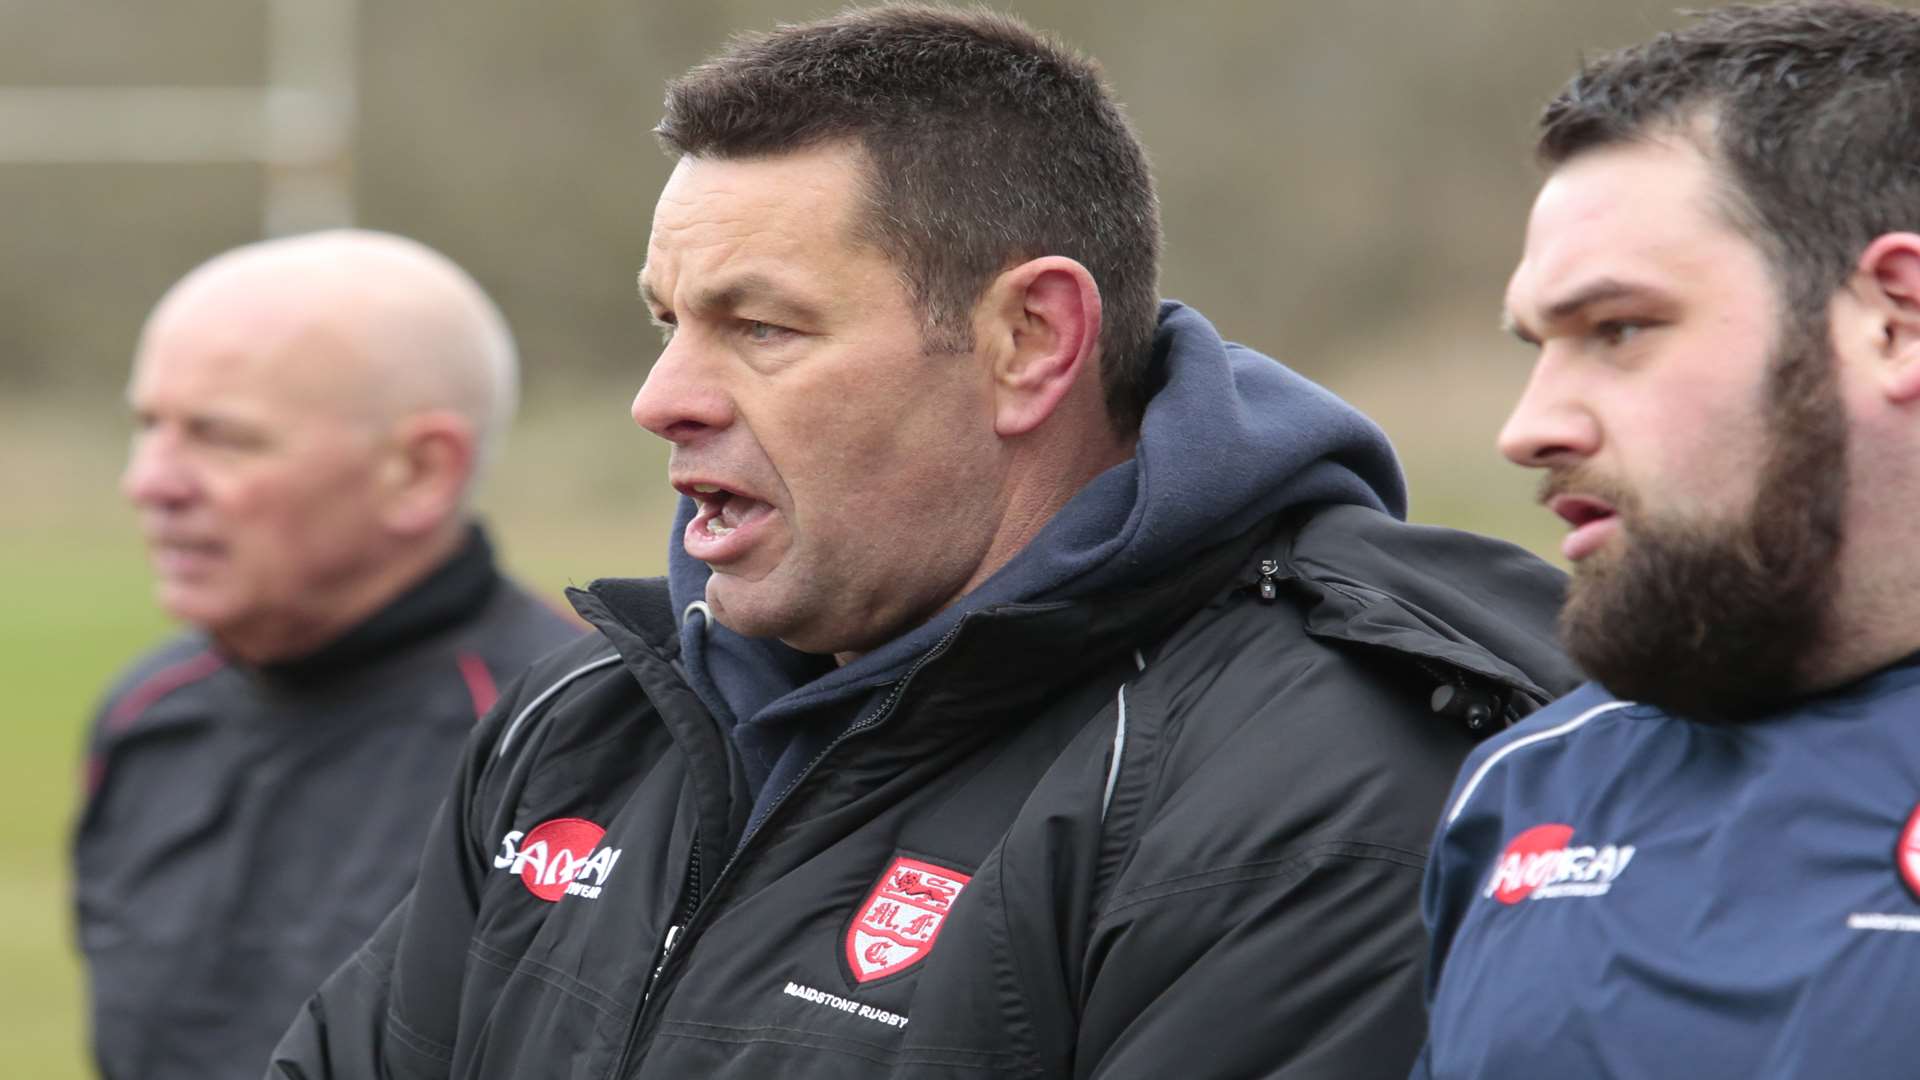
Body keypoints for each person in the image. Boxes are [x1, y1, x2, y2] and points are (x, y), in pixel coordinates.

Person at [271, 8, 1575, 1078]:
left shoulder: (1308, 785)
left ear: (1030, 344)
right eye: (667, 321)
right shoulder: (586, 730)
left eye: (762, 328)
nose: (662, 396)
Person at [1413, 3, 1920, 1076]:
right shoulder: (1521, 791)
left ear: (1895, 320)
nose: (1528, 428)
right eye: (1538, 346)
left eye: (1619, 330)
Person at [75, 229, 578, 1080]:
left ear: (419, 471)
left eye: (222, 437)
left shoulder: (578, 745)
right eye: (148, 425)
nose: (150, 482)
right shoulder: (145, 713)